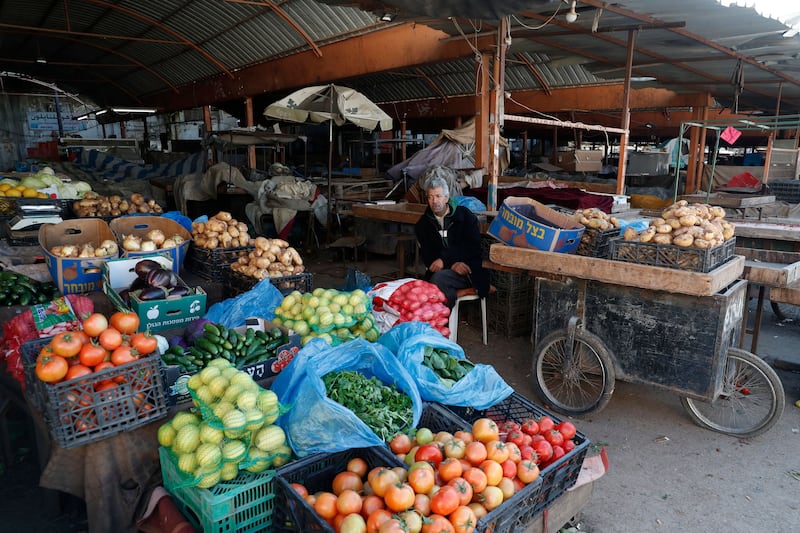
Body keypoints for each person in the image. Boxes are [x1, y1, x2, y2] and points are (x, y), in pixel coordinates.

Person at [415, 176, 489, 307]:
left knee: (437, 282)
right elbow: (428, 257)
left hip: (468, 269)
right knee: (424, 287)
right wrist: (451, 264)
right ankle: (457, 296)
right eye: (430, 197)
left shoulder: (464, 216)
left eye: (438, 196)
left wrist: (445, 260)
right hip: (444, 272)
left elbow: (472, 246)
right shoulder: (423, 224)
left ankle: (445, 317)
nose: (434, 201)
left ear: (447, 197)